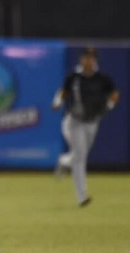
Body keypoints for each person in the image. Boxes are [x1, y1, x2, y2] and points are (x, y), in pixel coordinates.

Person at [52, 47, 120, 207]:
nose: (88, 61)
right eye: (85, 57)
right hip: (74, 121)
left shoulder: (102, 78)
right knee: (81, 157)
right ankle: (82, 196)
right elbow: (63, 92)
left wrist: (109, 106)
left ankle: (63, 161)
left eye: (91, 58)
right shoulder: (74, 77)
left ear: (95, 60)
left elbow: (114, 94)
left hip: (92, 122)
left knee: (79, 155)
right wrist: (57, 102)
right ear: (81, 59)